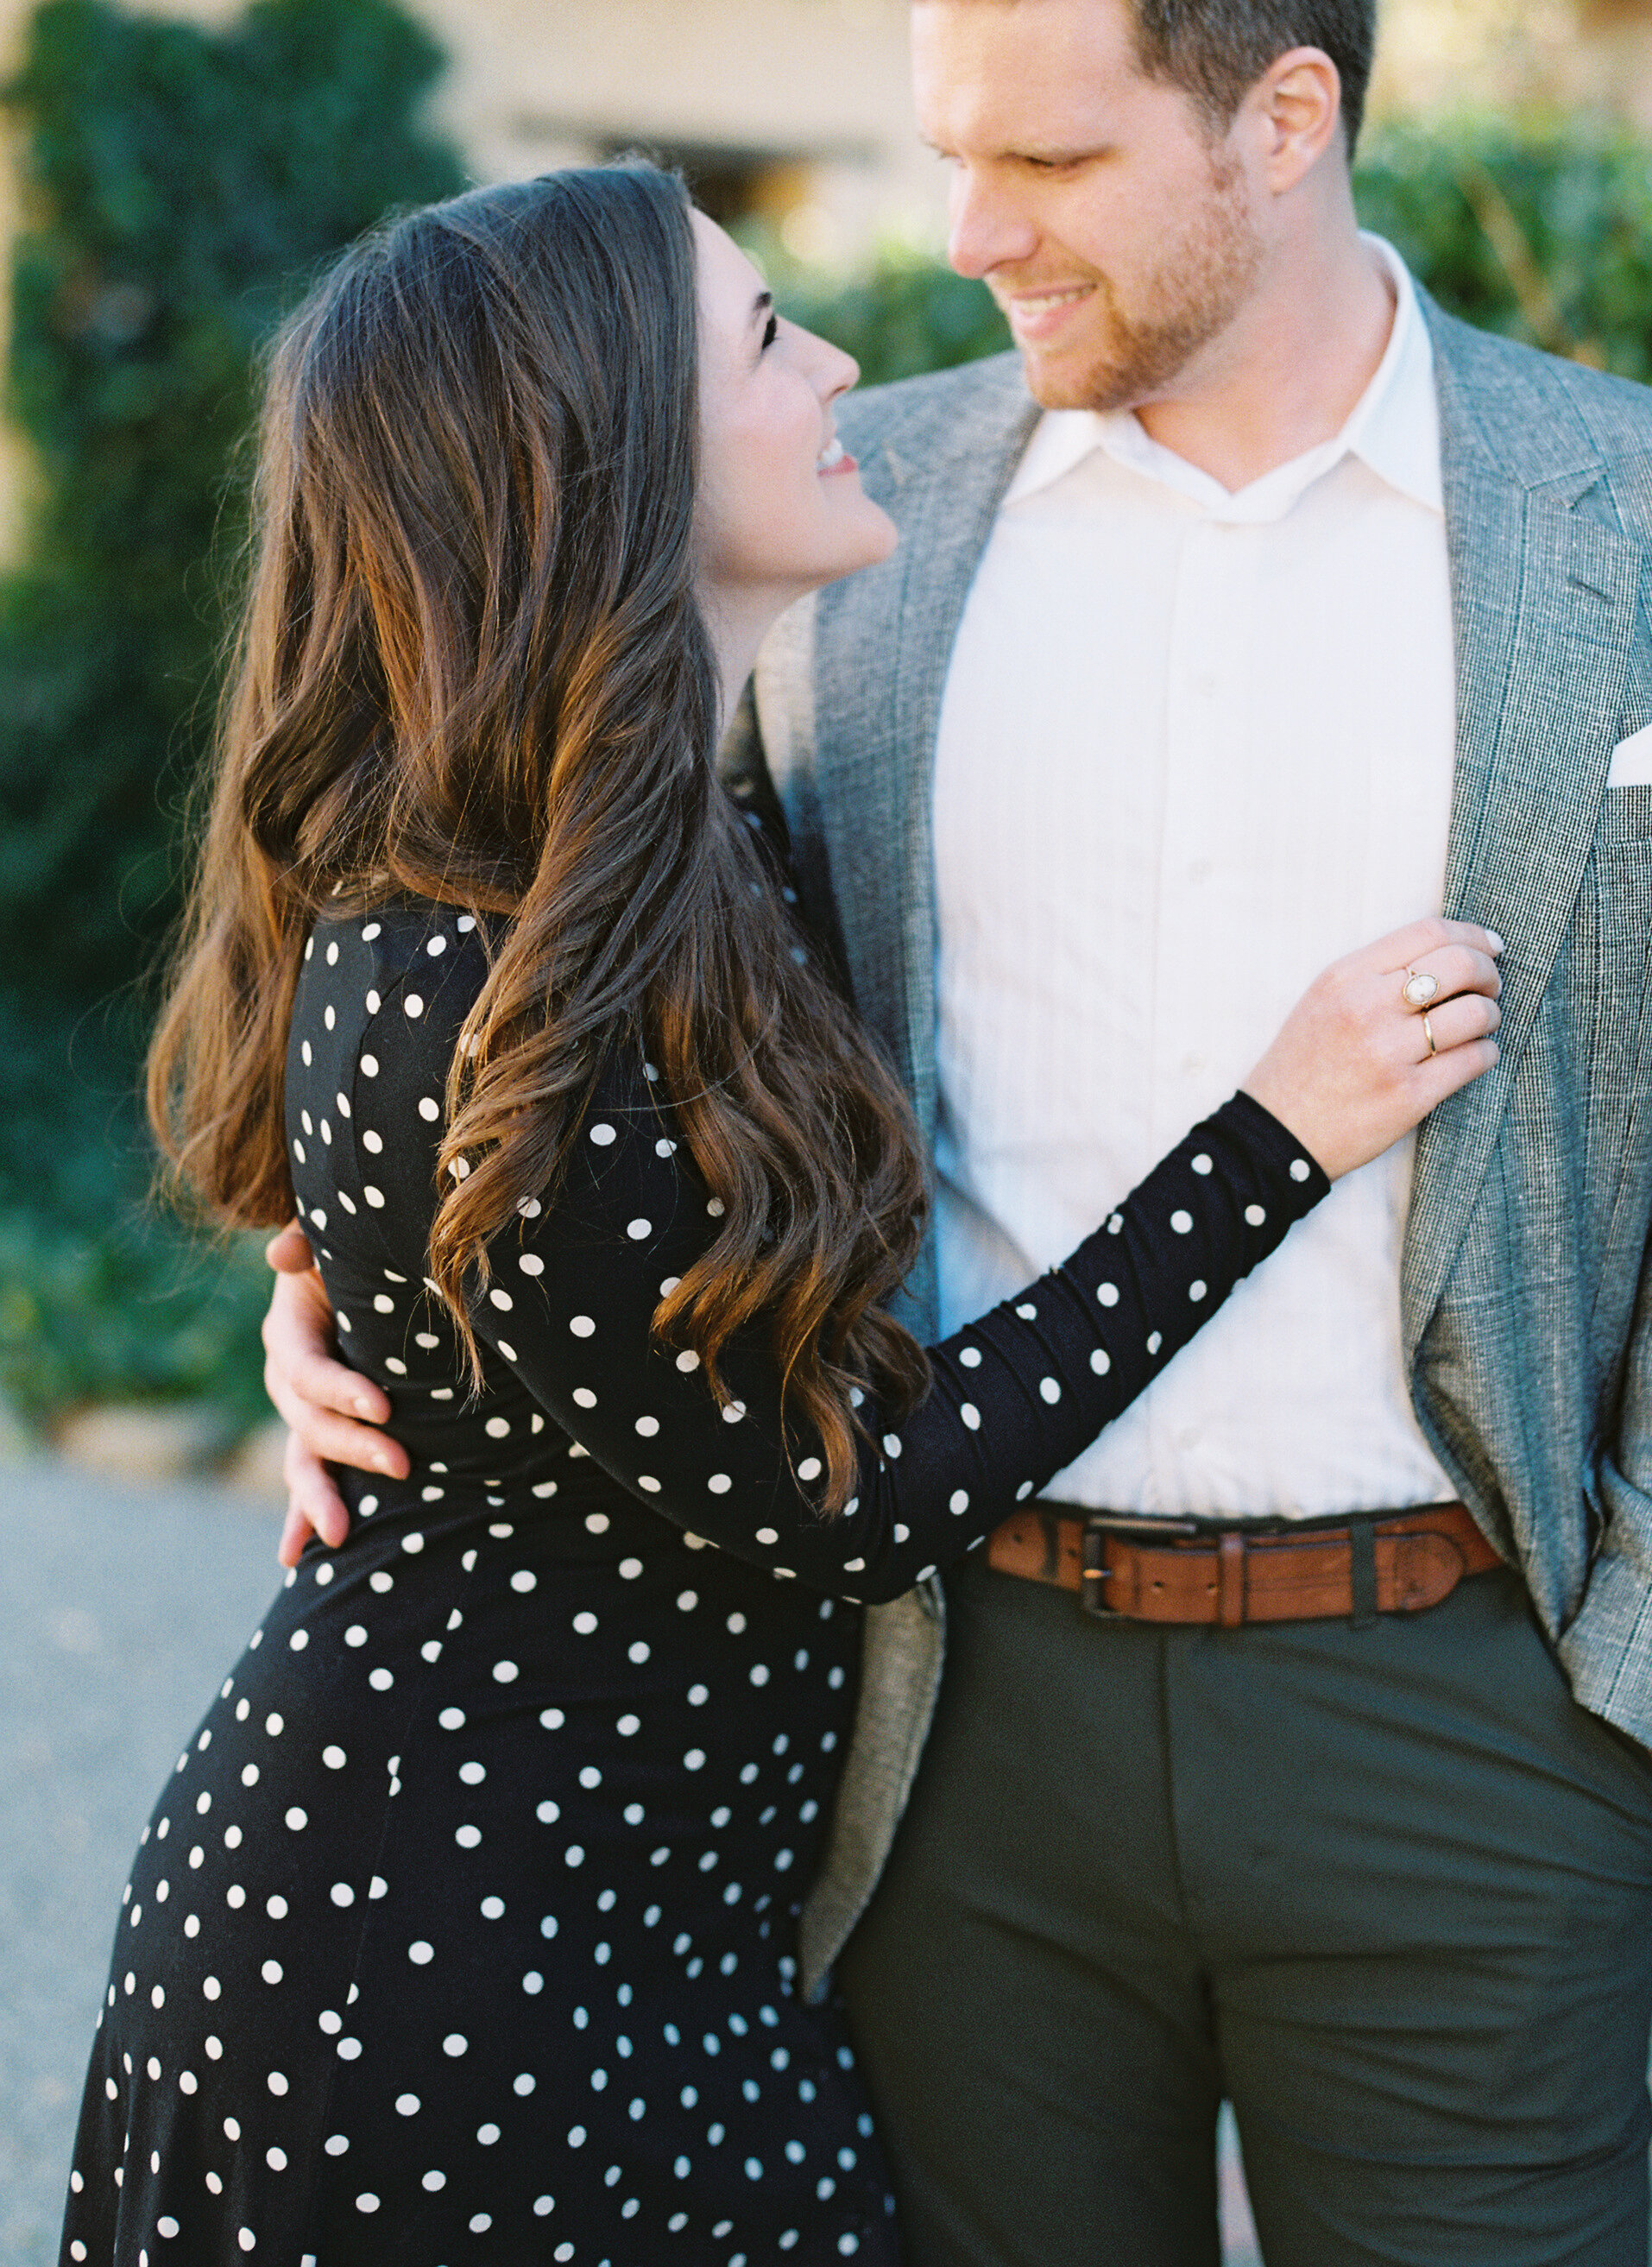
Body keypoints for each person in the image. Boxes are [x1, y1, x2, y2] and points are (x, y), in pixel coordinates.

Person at [265, 0, 1652, 2265]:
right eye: (945, 151)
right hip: (942, 1721)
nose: (965, 233)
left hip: (1465, 1714)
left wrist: (1649, 1650)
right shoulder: (846, 518)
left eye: (1047, 160)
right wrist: (366, 1288)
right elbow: (536, 943)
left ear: (1281, 112)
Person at [60, 159, 1505, 2267]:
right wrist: (1275, 1132)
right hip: (433, 1978)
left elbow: (555, 1304)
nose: (837, 355)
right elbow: (850, 1485)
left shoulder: (663, 845)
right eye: (759, 334)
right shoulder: (450, 957)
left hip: (667, 1949)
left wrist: (336, 1307)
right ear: (602, 457)